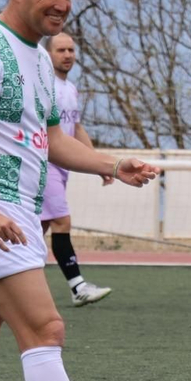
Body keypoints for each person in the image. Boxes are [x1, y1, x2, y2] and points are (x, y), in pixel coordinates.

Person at [0, 0, 160, 381]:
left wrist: (113, 163)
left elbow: (55, 141)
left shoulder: (41, 60)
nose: (62, 4)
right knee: (46, 328)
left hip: (13, 214)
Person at [36, 33, 112, 306]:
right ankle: (78, 287)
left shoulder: (71, 88)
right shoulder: (45, 85)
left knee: (38, 228)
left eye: (71, 50)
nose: (67, 54)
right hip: (46, 164)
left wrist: (97, 163)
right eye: (61, 50)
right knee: (62, 221)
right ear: (48, 54)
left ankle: (2, 280)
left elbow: (76, 128)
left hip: (63, 168)